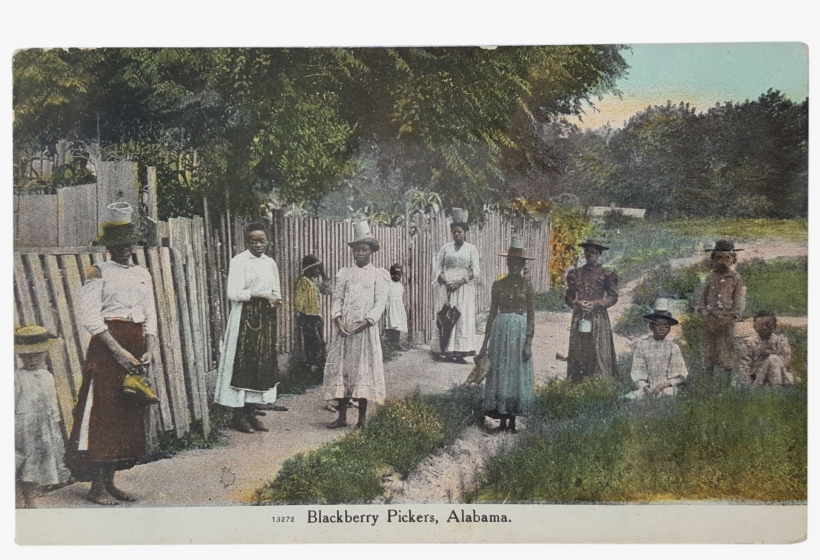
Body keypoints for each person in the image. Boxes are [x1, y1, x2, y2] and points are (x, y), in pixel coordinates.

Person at [65, 221, 158, 505]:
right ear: (108, 246)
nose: (125, 248)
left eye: (129, 242)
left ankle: (111, 482)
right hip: (108, 347)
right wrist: (118, 352)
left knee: (125, 414)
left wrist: (149, 349)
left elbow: (150, 314)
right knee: (103, 414)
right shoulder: (98, 272)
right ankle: (96, 486)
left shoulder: (143, 273)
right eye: (118, 243)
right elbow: (91, 318)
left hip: (135, 342)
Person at [214, 222, 284, 434]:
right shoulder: (239, 261)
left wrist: (274, 299)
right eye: (253, 240)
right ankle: (238, 416)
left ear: (267, 241)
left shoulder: (269, 263)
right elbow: (233, 293)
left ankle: (252, 413)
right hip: (245, 316)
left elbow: (276, 290)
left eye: (261, 240)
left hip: (265, 319)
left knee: (261, 364)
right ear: (246, 241)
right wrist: (261, 295)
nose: (258, 245)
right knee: (243, 362)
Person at [323, 221, 391, 429]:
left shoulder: (378, 275)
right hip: (344, 331)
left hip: (364, 331)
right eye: (357, 249)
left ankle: (361, 419)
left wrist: (364, 323)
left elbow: (379, 304)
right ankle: (342, 416)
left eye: (364, 249)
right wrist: (338, 321)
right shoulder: (345, 273)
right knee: (343, 372)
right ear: (352, 251)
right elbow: (337, 299)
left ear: (371, 251)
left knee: (363, 371)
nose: (360, 253)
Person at [477, 237, 535, 433]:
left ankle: (513, 420)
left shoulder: (527, 286)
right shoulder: (498, 284)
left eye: (517, 264)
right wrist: (484, 343)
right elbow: (492, 313)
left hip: (519, 331)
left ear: (522, 265)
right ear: (507, 264)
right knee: (501, 370)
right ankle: (501, 418)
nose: (513, 267)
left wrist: (528, 341)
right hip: (500, 331)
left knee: (515, 372)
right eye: (511, 263)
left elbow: (531, 316)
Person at [15, 325, 72, 508]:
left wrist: (54, 417)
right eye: (26, 356)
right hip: (24, 425)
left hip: (43, 426)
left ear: (45, 354)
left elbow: (51, 399)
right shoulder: (17, 377)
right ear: (19, 356)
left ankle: (31, 497)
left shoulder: (47, 376)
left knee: (38, 462)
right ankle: (23, 499)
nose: (31, 359)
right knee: (23, 462)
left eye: (36, 355)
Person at [564, 240, 619, 382]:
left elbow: (613, 297)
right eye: (588, 252)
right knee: (580, 350)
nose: (590, 255)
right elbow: (569, 296)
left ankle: (600, 384)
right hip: (580, 316)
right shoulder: (574, 274)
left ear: (599, 254)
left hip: (598, 317)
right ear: (584, 253)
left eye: (594, 252)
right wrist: (577, 303)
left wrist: (596, 304)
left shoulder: (607, 274)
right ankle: (577, 383)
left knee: (598, 350)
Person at [431, 208, 480, 363]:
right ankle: (444, 350)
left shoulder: (471, 249)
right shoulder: (446, 248)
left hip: (463, 288)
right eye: (454, 232)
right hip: (447, 287)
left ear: (465, 232)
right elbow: (437, 267)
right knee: (445, 315)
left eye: (459, 231)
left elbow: (475, 270)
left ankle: (459, 352)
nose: (456, 234)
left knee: (462, 317)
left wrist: (460, 282)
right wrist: (446, 281)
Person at [695, 239, 746, 377]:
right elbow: (701, 301)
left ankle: (726, 383)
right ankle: (709, 381)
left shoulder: (736, 279)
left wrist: (727, 320)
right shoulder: (710, 278)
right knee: (709, 352)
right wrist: (707, 318)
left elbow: (738, 305)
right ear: (714, 259)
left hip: (726, 322)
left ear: (733, 259)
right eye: (719, 258)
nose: (722, 261)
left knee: (726, 352)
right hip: (710, 321)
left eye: (727, 258)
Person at [623, 310, 688, 400]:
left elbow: (680, 375)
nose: (662, 329)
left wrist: (662, 386)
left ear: (669, 329)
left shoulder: (673, 347)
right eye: (658, 325)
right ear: (651, 326)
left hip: (666, 387)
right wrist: (645, 388)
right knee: (629, 398)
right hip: (647, 387)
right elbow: (638, 372)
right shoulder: (643, 346)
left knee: (666, 394)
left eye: (666, 326)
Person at [293, 254, 332, 374]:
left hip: (316, 316)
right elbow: (299, 299)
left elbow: (327, 291)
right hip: (307, 316)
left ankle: (319, 368)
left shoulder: (314, 282)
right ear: (308, 269)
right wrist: (299, 313)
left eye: (319, 269)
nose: (317, 271)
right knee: (314, 343)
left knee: (320, 342)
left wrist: (324, 276)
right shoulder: (303, 281)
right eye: (315, 269)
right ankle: (314, 368)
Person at [738, 310, 794, 389]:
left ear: (774, 326)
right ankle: (776, 389)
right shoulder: (748, 343)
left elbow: (786, 362)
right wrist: (748, 388)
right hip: (758, 380)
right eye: (760, 325)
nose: (764, 328)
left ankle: (776, 389)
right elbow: (744, 367)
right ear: (754, 326)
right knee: (773, 359)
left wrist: (770, 353)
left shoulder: (781, 341)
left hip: (780, 376)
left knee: (773, 359)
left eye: (768, 325)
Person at [383, 263, 408, 349]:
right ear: (391, 273)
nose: (396, 276)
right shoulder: (388, 284)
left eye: (399, 274)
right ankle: (390, 345)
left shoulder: (400, 285)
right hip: (391, 307)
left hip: (398, 307)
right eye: (394, 273)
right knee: (391, 325)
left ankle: (397, 344)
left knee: (398, 325)